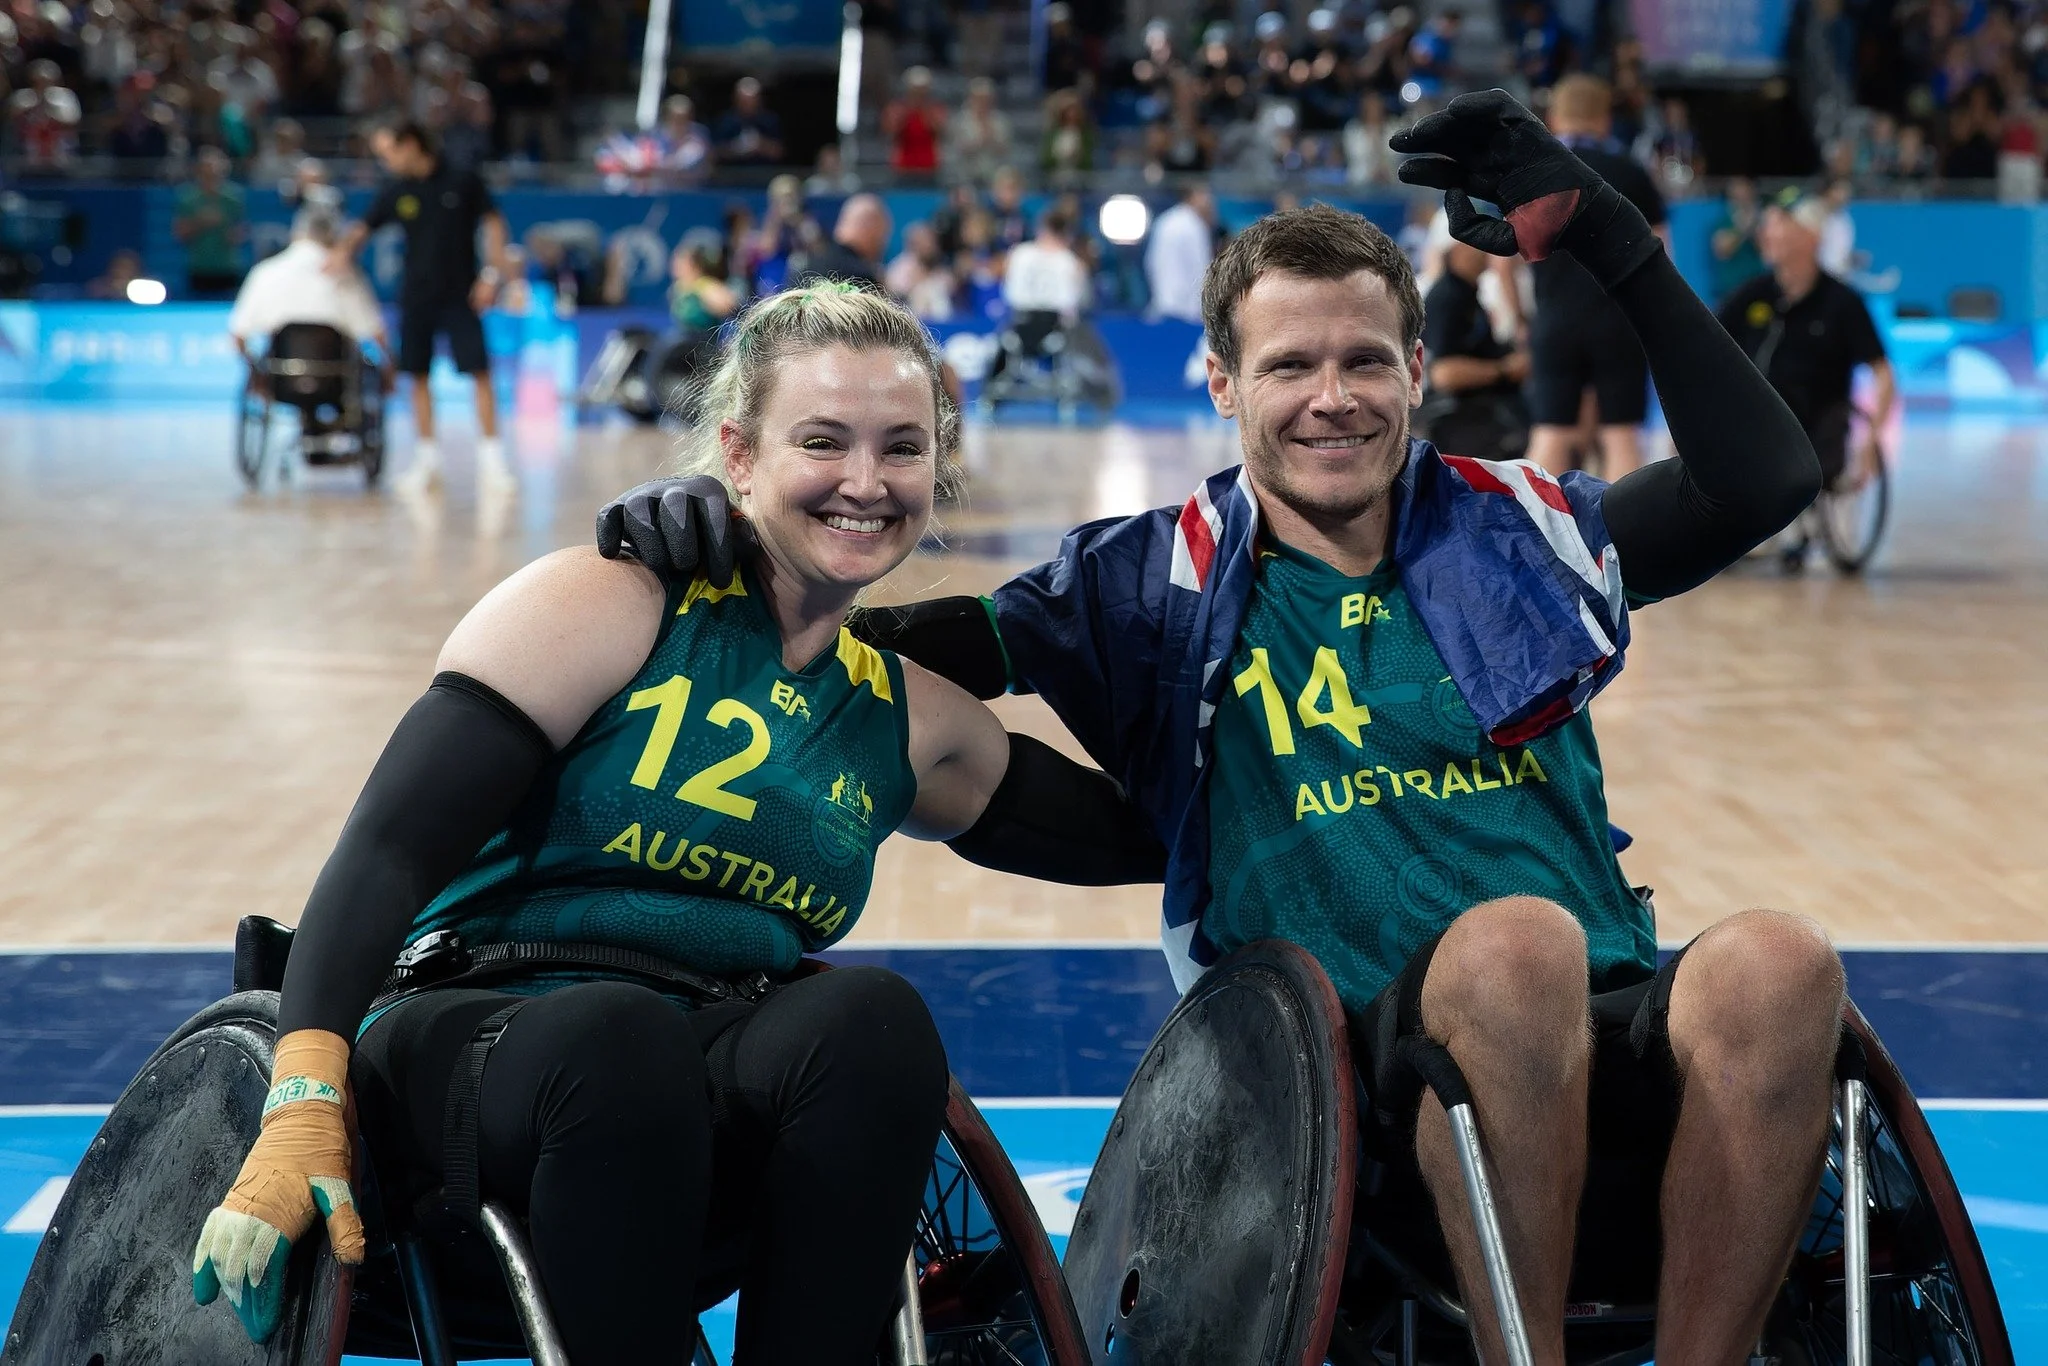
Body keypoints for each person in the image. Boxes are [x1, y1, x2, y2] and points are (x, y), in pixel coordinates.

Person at [602, 90, 1840, 1366]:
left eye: (1364, 360)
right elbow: (866, 633)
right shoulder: (1142, 581)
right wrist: (715, 534)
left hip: (1594, 1006)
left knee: (1777, 961)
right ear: (1219, 382)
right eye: (1288, 365)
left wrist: (1605, 233)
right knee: (1512, 949)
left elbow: (1762, 481)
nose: (1332, 398)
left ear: (1415, 370)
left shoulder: (1518, 529)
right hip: (1335, 1066)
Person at [190, 283, 1161, 1361]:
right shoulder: (605, 601)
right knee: (618, 1039)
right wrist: (305, 1092)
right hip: (475, 1036)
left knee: (871, 1021)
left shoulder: (913, 717)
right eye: (822, 441)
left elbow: (1141, 831)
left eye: (901, 448)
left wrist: (1223, 656)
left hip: (692, 1067)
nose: (864, 481)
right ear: (737, 455)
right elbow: (386, 845)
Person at [333, 121, 514, 494]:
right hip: (416, 296)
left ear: (411, 143)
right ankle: (427, 461)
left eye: (389, 152)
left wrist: (492, 275)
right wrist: (339, 254)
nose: (386, 161)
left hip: (462, 295)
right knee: (417, 375)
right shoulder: (396, 189)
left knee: (479, 372)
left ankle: (492, 461)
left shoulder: (463, 179)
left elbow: (493, 222)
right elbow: (363, 227)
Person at [1717, 193, 1895, 569]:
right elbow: (1705, 347)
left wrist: (1872, 441)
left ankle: (1794, 521)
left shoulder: (1842, 303)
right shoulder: (1753, 295)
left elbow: (1883, 374)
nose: (1766, 234)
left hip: (1816, 428)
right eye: (1766, 226)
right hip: (1755, 425)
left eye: (1778, 225)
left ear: (1811, 236)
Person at [1521, 75, 1668, 482]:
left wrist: (1519, 320)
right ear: (1604, 119)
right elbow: (1659, 253)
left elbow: (1502, 261)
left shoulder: (1533, 174)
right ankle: (1626, 541)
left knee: (1550, 433)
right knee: (1620, 435)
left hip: (1555, 322)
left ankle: (1529, 536)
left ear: (1553, 118)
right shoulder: (1631, 172)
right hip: (1617, 321)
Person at [227, 204, 391, 392]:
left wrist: (255, 371)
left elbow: (237, 336)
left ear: (295, 233)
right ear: (333, 238)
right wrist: (390, 369)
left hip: (281, 380)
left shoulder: (265, 272)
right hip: (336, 383)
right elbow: (376, 332)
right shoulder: (347, 274)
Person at [1416, 237, 1530, 459]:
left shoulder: (1467, 293)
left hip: (1484, 412)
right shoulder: (1447, 298)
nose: (1486, 250)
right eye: (1477, 243)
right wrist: (1505, 370)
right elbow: (1444, 374)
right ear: (1458, 249)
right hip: (1460, 421)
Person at [174, 147, 249, 299]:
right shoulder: (187, 198)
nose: (211, 178)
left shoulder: (234, 197)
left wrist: (225, 228)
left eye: (215, 174)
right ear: (198, 172)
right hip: (199, 268)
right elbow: (180, 234)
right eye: (206, 173)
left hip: (227, 268)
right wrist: (201, 222)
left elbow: (241, 232)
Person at [1145, 183, 1217, 325]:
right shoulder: (1194, 225)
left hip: (1162, 305)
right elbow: (1201, 269)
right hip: (1187, 312)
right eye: (1204, 194)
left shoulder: (1164, 220)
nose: (1209, 200)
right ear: (1193, 195)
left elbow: (1150, 263)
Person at [790, 194, 892, 290]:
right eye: (882, 235)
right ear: (870, 227)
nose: (883, 245)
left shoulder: (808, 266)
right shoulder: (862, 277)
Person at [1708, 176, 1765, 305]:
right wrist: (1743, 228)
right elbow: (1722, 250)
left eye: (1745, 189)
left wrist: (1754, 228)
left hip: (1757, 287)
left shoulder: (1761, 220)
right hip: (1731, 291)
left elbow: (1767, 252)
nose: (1742, 195)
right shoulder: (1722, 220)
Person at [714, 76, 784, 168]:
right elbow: (715, 152)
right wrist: (736, 148)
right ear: (736, 99)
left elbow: (779, 152)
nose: (748, 105)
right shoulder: (726, 121)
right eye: (744, 101)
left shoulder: (770, 121)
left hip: (764, 174)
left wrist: (760, 144)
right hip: (732, 177)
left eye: (752, 101)